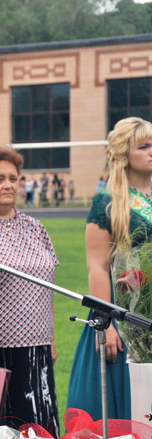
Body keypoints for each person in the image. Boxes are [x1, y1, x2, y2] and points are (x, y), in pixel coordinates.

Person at [0, 146, 60, 436]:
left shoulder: (35, 227)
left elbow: (46, 285)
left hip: (38, 346)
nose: (8, 185)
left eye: (13, 178)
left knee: (39, 433)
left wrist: (51, 337)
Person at [67, 117, 152, 420]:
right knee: (128, 406)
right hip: (124, 312)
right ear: (123, 154)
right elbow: (98, 267)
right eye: (144, 146)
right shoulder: (107, 203)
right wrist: (108, 323)